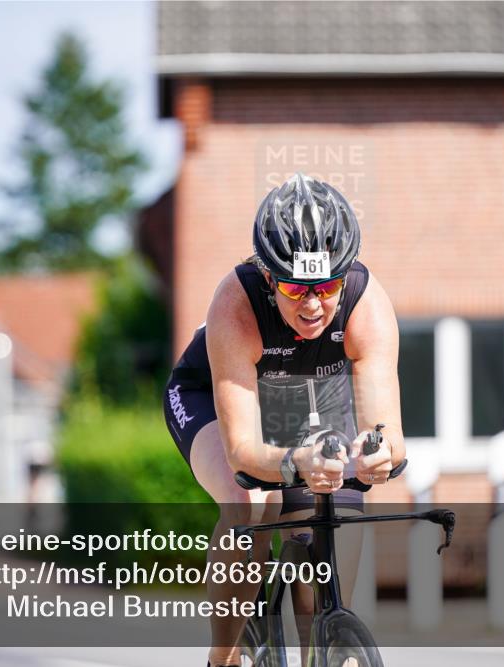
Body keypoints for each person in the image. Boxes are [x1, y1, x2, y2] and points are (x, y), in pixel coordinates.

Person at [162, 173, 405, 667]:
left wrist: (376, 455)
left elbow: (388, 435)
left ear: (345, 276)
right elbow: (243, 454)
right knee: (250, 505)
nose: (312, 305)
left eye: (326, 286)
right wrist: (295, 462)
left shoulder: (367, 304)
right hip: (217, 397)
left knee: (324, 555)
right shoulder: (236, 303)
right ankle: (223, 657)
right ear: (270, 278)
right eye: (295, 288)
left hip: (313, 400)